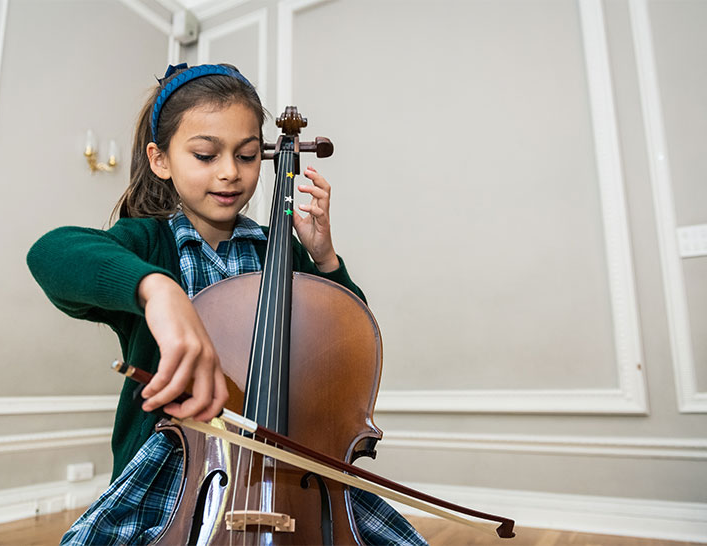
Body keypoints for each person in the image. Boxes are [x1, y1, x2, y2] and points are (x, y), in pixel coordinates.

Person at [27, 63, 427, 545]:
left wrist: (324, 259)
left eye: (248, 155)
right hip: (180, 478)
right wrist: (157, 289)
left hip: (292, 475)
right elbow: (50, 252)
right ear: (161, 160)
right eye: (204, 155)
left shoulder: (276, 253)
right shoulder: (149, 244)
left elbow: (347, 347)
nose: (229, 173)